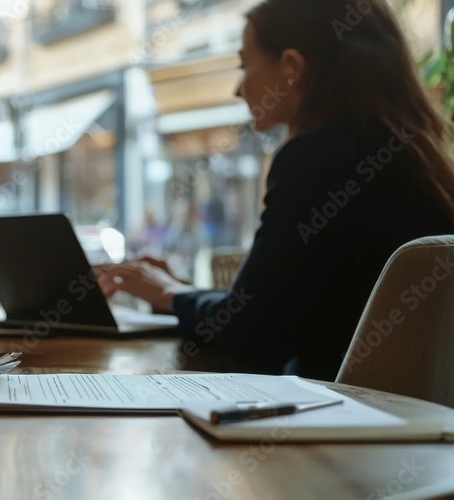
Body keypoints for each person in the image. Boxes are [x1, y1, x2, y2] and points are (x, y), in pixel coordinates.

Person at [96, 0, 454, 381]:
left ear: (292, 68)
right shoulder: (416, 158)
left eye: (245, 64)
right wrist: (180, 291)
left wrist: (169, 295)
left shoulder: (316, 160)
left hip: (337, 424)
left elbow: (254, 339)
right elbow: (278, 312)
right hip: (415, 427)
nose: (238, 88)